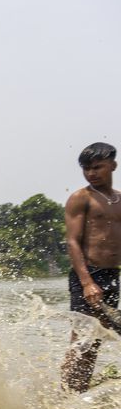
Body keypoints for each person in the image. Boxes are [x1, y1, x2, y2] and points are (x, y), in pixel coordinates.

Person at [61, 142, 121, 392]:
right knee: (82, 339)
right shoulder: (81, 198)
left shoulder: (118, 199)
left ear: (113, 166)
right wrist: (87, 282)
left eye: (98, 167)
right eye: (87, 169)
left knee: (95, 340)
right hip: (88, 275)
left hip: (112, 276)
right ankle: (65, 397)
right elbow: (72, 242)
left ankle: (80, 392)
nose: (92, 173)